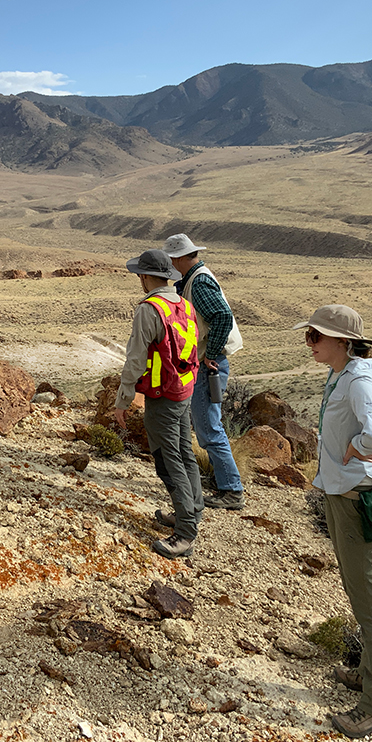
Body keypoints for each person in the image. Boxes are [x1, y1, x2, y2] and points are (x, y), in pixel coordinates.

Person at [293, 304, 372, 739]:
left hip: (358, 498)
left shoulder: (357, 380)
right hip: (345, 493)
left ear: (342, 341)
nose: (309, 344)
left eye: (316, 337)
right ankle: (370, 674)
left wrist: (357, 446)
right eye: (309, 336)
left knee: (369, 600)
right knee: (357, 588)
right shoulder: (343, 375)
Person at [113, 249, 204, 559]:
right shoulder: (184, 304)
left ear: (146, 277)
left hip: (163, 395)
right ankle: (191, 511)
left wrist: (122, 400)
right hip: (184, 389)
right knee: (184, 453)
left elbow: (135, 360)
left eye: (141, 274)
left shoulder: (149, 310)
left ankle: (185, 533)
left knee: (169, 461)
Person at [162, 233, 244, 509]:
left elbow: (222, 316)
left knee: (209, 429)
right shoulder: (196, 278)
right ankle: (225, 484)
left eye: (173, 258)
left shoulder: (198, 282)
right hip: (211, 361)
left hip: (211, 363)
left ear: (178, 258)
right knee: (207, 426)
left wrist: (211, 353)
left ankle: (231, 490)